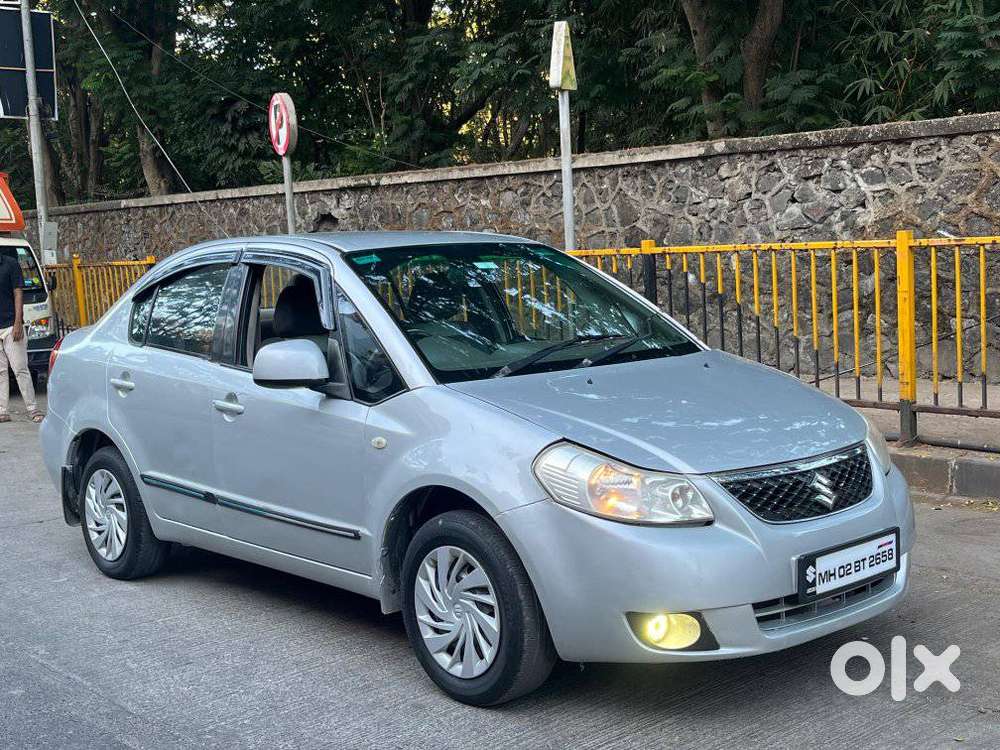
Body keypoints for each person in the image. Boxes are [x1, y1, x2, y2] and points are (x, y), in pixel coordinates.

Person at [0, 248, 41, 423]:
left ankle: (33, 409)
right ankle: (2, 411)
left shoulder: (10, 264)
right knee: (0, 372)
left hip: (11, 325)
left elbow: (18, 293)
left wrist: (18, 322)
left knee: (20, 369)